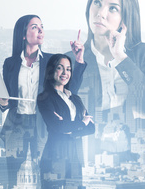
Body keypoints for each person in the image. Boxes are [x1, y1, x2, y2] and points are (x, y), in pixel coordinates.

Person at [71, 0, 145, 184]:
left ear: (126, 19)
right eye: (97, 3)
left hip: (137, 164)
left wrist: (121, 58)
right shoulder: (71, 60)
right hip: (89, 164)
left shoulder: (141, 54)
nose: (101, 13)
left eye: (112, 8)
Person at [0, 14, 86, 187]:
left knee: (45, 179)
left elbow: (70, 90)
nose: (41, 30)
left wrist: (78, 60)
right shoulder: (10, 63)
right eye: (35, 27)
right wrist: (3, 102)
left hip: (44, 125)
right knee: (15, 182)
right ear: (23, 34)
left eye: (42, 26)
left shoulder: (51, 60)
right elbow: (9, 99)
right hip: (16, 127)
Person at [37, 54, 95, 188]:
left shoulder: (75, 99)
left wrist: (69, 129)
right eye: (60, 68)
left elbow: (91, 128)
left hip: (74, 157)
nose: (65, 73)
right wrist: (81, 123)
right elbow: (58, 126)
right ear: (51, 71)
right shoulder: (44, 98)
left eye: (68, 69)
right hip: (54, 155)